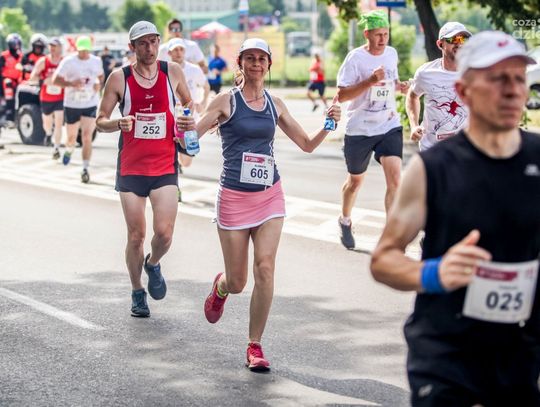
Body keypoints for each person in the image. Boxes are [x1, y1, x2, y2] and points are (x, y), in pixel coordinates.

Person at [371, 31, 540, 407]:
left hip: (520, 351)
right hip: (446, 350)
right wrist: (435, 273)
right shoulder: (433, 168)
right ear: (464, 91)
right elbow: (383, 260)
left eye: (518, 78)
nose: (512, 90)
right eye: (497, 79)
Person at [196, 38, 341, 371]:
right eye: (250, 58)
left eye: (262, 59)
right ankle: (221, 287)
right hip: (234, 198)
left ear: (269, 65)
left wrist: (329, 123)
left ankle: (255, 345)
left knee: (265, 267)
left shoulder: (275, 104)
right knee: (238, 282)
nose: (256, 64)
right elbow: (190, 138)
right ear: (240, 63)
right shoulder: (225, 101)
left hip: (269, 195)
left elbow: (306, 144)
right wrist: (185, 130)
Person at [96, 21, 193, 318]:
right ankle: (137, 291)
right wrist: (118, 123)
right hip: (131, 168)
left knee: (164, 234)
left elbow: (188, 103)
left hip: (164, 165)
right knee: (136, 236)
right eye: (143, 43)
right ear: (132, 47)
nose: (149, 48)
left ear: (159, 42)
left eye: (153, 42)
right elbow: (100, 120)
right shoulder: (119, 78)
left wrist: (186, 121)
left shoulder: (172, 72)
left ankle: (153, 264)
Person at [335, 10, 409, 250]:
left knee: (395, 180)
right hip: (360, 129)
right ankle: (345, 220)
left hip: (389, 124)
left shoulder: (391, 54)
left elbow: (390, 84)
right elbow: (342, 95)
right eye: (378, 34)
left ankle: (391, 236)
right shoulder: (355, 58)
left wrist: (400, 87)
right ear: (366, 34)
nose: (383, 39)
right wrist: (369, 81)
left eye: (386, 34)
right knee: (355, 182)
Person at [406, 22, 471, 151]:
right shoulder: (425, 73)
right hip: (431, 148)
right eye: (453, 39)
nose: (459, 43)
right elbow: (412, 96)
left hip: (465, 148)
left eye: (462, 39)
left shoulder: (475, 72)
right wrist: (414, 125)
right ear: (440, 44)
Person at [52, 35, 104, 183]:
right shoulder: (68, 61)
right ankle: (69, 150)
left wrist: (98, 86)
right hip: (72, 104)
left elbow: (101, 76)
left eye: (86, 50)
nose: (84, 53)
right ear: (77, 49)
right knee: (71, 138)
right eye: (81, 50)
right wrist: (70, 83)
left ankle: (85, 168)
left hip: (90, 103)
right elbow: (55, 80)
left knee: (87, 137)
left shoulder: (96, 61)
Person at [168, 38, 210, 201]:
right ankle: (175, 187)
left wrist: (203, 103)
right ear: (169, 53)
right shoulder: (165, 70)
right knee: (170, 155)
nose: (179, 53)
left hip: (190, 121)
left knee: (187, 161)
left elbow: (206, 86)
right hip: (171, 120)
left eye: (181, 49)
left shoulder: (193, 69)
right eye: (175, 50)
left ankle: (179, 163)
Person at [29, 37, 65, 154]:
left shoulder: (64, 62)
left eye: (55, 46)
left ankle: (56, 148)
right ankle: (49, 134)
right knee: (47, 123)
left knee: (59, 123)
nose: (52, 48)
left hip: (60, 97)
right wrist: (44, 80)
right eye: (50, 46)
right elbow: (32, 78)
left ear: (60, 48)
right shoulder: (43, 61)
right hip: (46, 97)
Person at [0, 33, 23, 123]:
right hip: (6, 82)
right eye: (14, 44)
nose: (16, 46)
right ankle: (9, 113)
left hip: (19, 81)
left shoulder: (22, 56)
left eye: (17, 44)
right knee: (8, 86)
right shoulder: (3, 56)